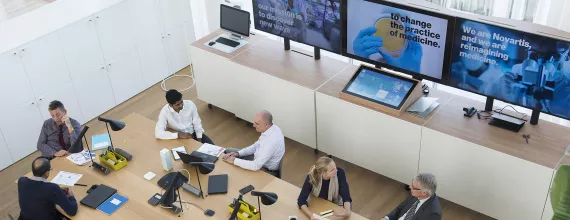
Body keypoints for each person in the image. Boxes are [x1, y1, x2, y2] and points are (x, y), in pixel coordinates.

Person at [221, 111, 284, 176]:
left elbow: (255, 166)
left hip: (264, 169)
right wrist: (238, 153)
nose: (253, 125)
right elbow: (256, 145)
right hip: (258, 159)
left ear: (266, 124)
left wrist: (234, 160)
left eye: (257, 124)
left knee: (236, 172)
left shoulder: (271, 142)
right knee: (227, 150)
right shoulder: (271, 128)